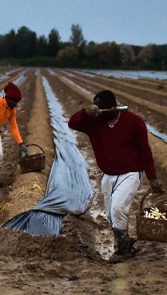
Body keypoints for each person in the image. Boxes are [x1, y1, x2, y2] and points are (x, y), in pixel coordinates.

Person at [68, 89, 161, 259]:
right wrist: (85, 112)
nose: (99, 113)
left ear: (112, 107)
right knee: (111, 214)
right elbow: (72, 123)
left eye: (101, 109)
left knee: (119, 208)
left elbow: (145, 150)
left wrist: (152, 178)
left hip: (131, 174)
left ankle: (122, 252)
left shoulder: (134, 122)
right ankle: (124, 242)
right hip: (108, 175)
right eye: (96, 109)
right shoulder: (93, 122)